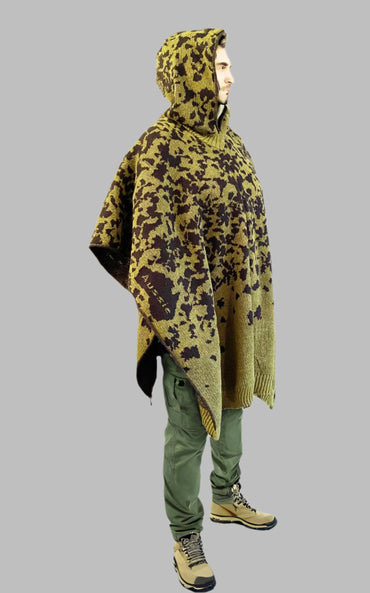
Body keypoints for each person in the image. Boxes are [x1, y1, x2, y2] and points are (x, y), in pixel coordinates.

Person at [90, 28, 277, 592]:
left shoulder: (232, 143)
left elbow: (249, 230)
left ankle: (226, 496)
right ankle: (185, 535)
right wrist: (174, 312)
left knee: (234, 404)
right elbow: (144, 239)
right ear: (191, 73)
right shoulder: (159, 147)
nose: (231, 77)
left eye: (229, 66)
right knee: (188, 429)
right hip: (186, 318)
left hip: (234, 308)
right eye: (220, 67)